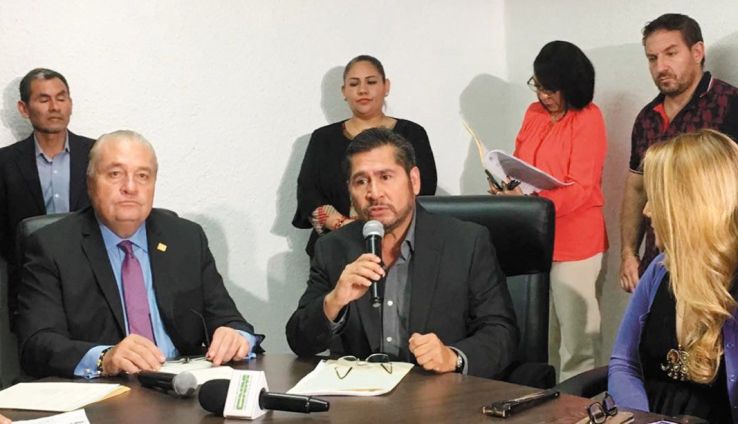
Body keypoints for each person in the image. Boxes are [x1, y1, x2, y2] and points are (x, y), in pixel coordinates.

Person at [16, 130, 263, 378]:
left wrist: (235, 336)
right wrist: (104, 358)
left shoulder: (186, 238)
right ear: (90, 183)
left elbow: (229, 319)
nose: (130, 187)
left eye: (143, 176)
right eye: (115, 174)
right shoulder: (52, 246)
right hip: (105, 390)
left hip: (183, 385)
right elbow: (37, 343)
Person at [286, 127, 518, 379]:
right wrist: (334, 301)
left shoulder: (465, 242)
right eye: (361, 181)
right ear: (350, 191)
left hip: (437, 394)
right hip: (361, 396)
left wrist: (453, 357)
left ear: (414, 181)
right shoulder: (333, 248)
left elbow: (501, 333)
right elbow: (300, 341)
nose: (374, 193)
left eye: (385, 177)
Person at [490, 41, 607, 381]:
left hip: (575, 241)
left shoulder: (588, 118)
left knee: (577, 341)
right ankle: (544, 402)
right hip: (533, 237)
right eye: (538, 86)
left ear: (572, 85)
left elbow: (582, 187)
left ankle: (578, 405)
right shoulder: (534, 113)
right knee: (538, 336)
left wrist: (534, 203)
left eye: (550, 89)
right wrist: (506, 187)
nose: (543, 96)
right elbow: (518, 163)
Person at [609, 129, 738, 423]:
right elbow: (624, 363)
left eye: (656, 198)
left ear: (691, 206)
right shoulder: (659, 269)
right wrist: (643, 419)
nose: (646, 211)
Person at [619, 13, 738, 293]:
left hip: (717, 267)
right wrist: (628, 253)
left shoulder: (730, 105)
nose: (661, 67)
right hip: (658, 264)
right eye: (652, 58)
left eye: (671, 54)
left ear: (697, 52)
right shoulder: (646, 118)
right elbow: (637, 189)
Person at [293, 55, 437, 257]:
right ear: (344, 91)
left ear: (386, 86)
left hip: (401, 247)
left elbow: (424, 189)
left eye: (371, 82)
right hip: (336, 247)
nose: (362, 90)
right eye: (354, 84)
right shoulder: (322, 138)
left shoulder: (412, 133)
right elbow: (308, 193)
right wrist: (345, 227)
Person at [0, 68, 94, 324]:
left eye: (61, 98)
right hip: (32, 288)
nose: (55, 107)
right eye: (44, 99)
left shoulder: (97, 154)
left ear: (70, 103)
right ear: (23, 108)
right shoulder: (5, 163)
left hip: (94, 286)